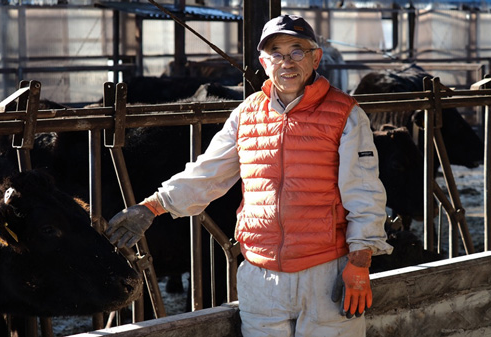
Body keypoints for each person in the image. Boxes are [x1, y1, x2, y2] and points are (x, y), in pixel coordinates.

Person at [106, 14, 393, 337]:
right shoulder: (246, 114)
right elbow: (207, 172)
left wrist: (360, 261)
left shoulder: (345, 114)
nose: (287, 62)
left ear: (316, 58)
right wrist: (153, 206)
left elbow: (364, 190)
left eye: (297, 51)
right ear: (263, 62)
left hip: (325, 270)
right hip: (260, 275)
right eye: (277, 53)